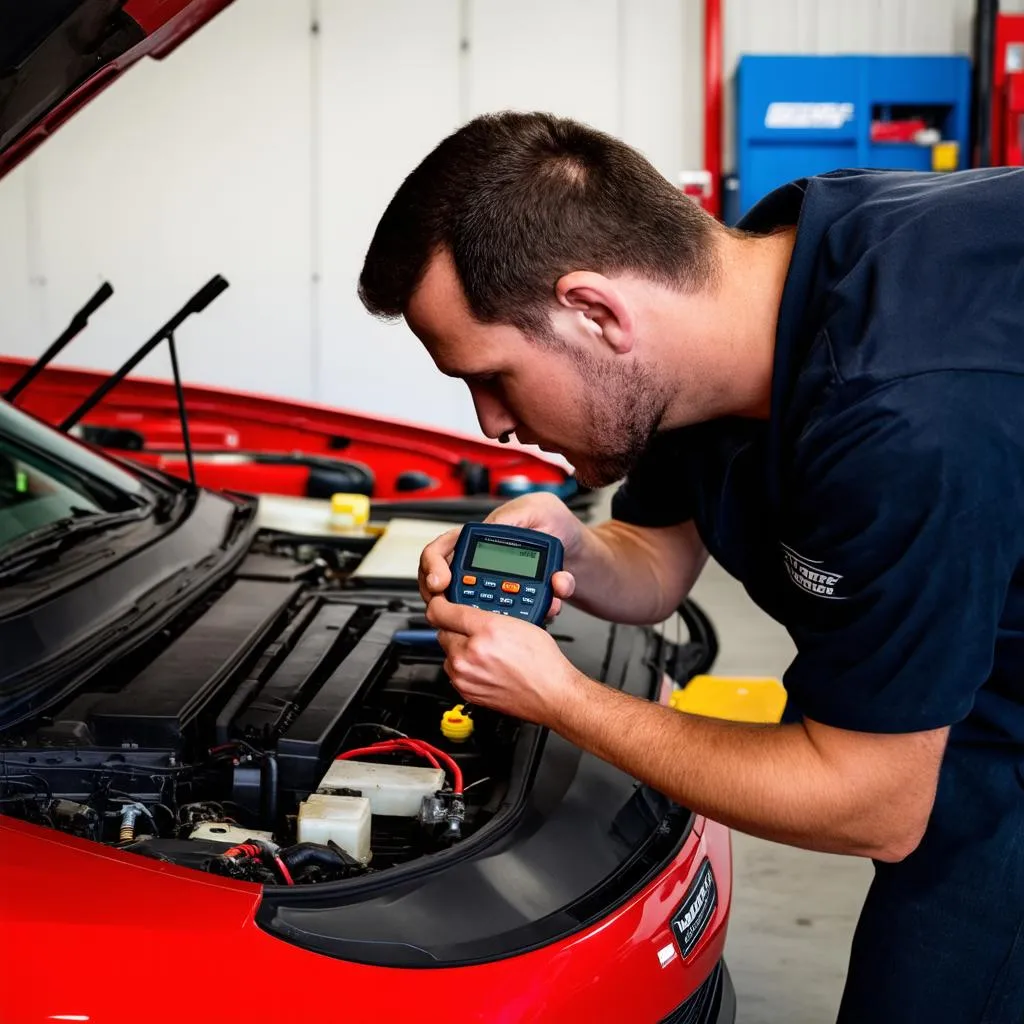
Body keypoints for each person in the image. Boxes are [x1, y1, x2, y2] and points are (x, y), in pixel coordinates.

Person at [357, 111, 1024, 1023]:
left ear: (596, 313)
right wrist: (573, 542)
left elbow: (869, 802)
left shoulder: (904, 417)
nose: (491, 426)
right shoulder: (738, 300)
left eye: (494, 377)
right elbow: (659, 559)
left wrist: (561, 698)